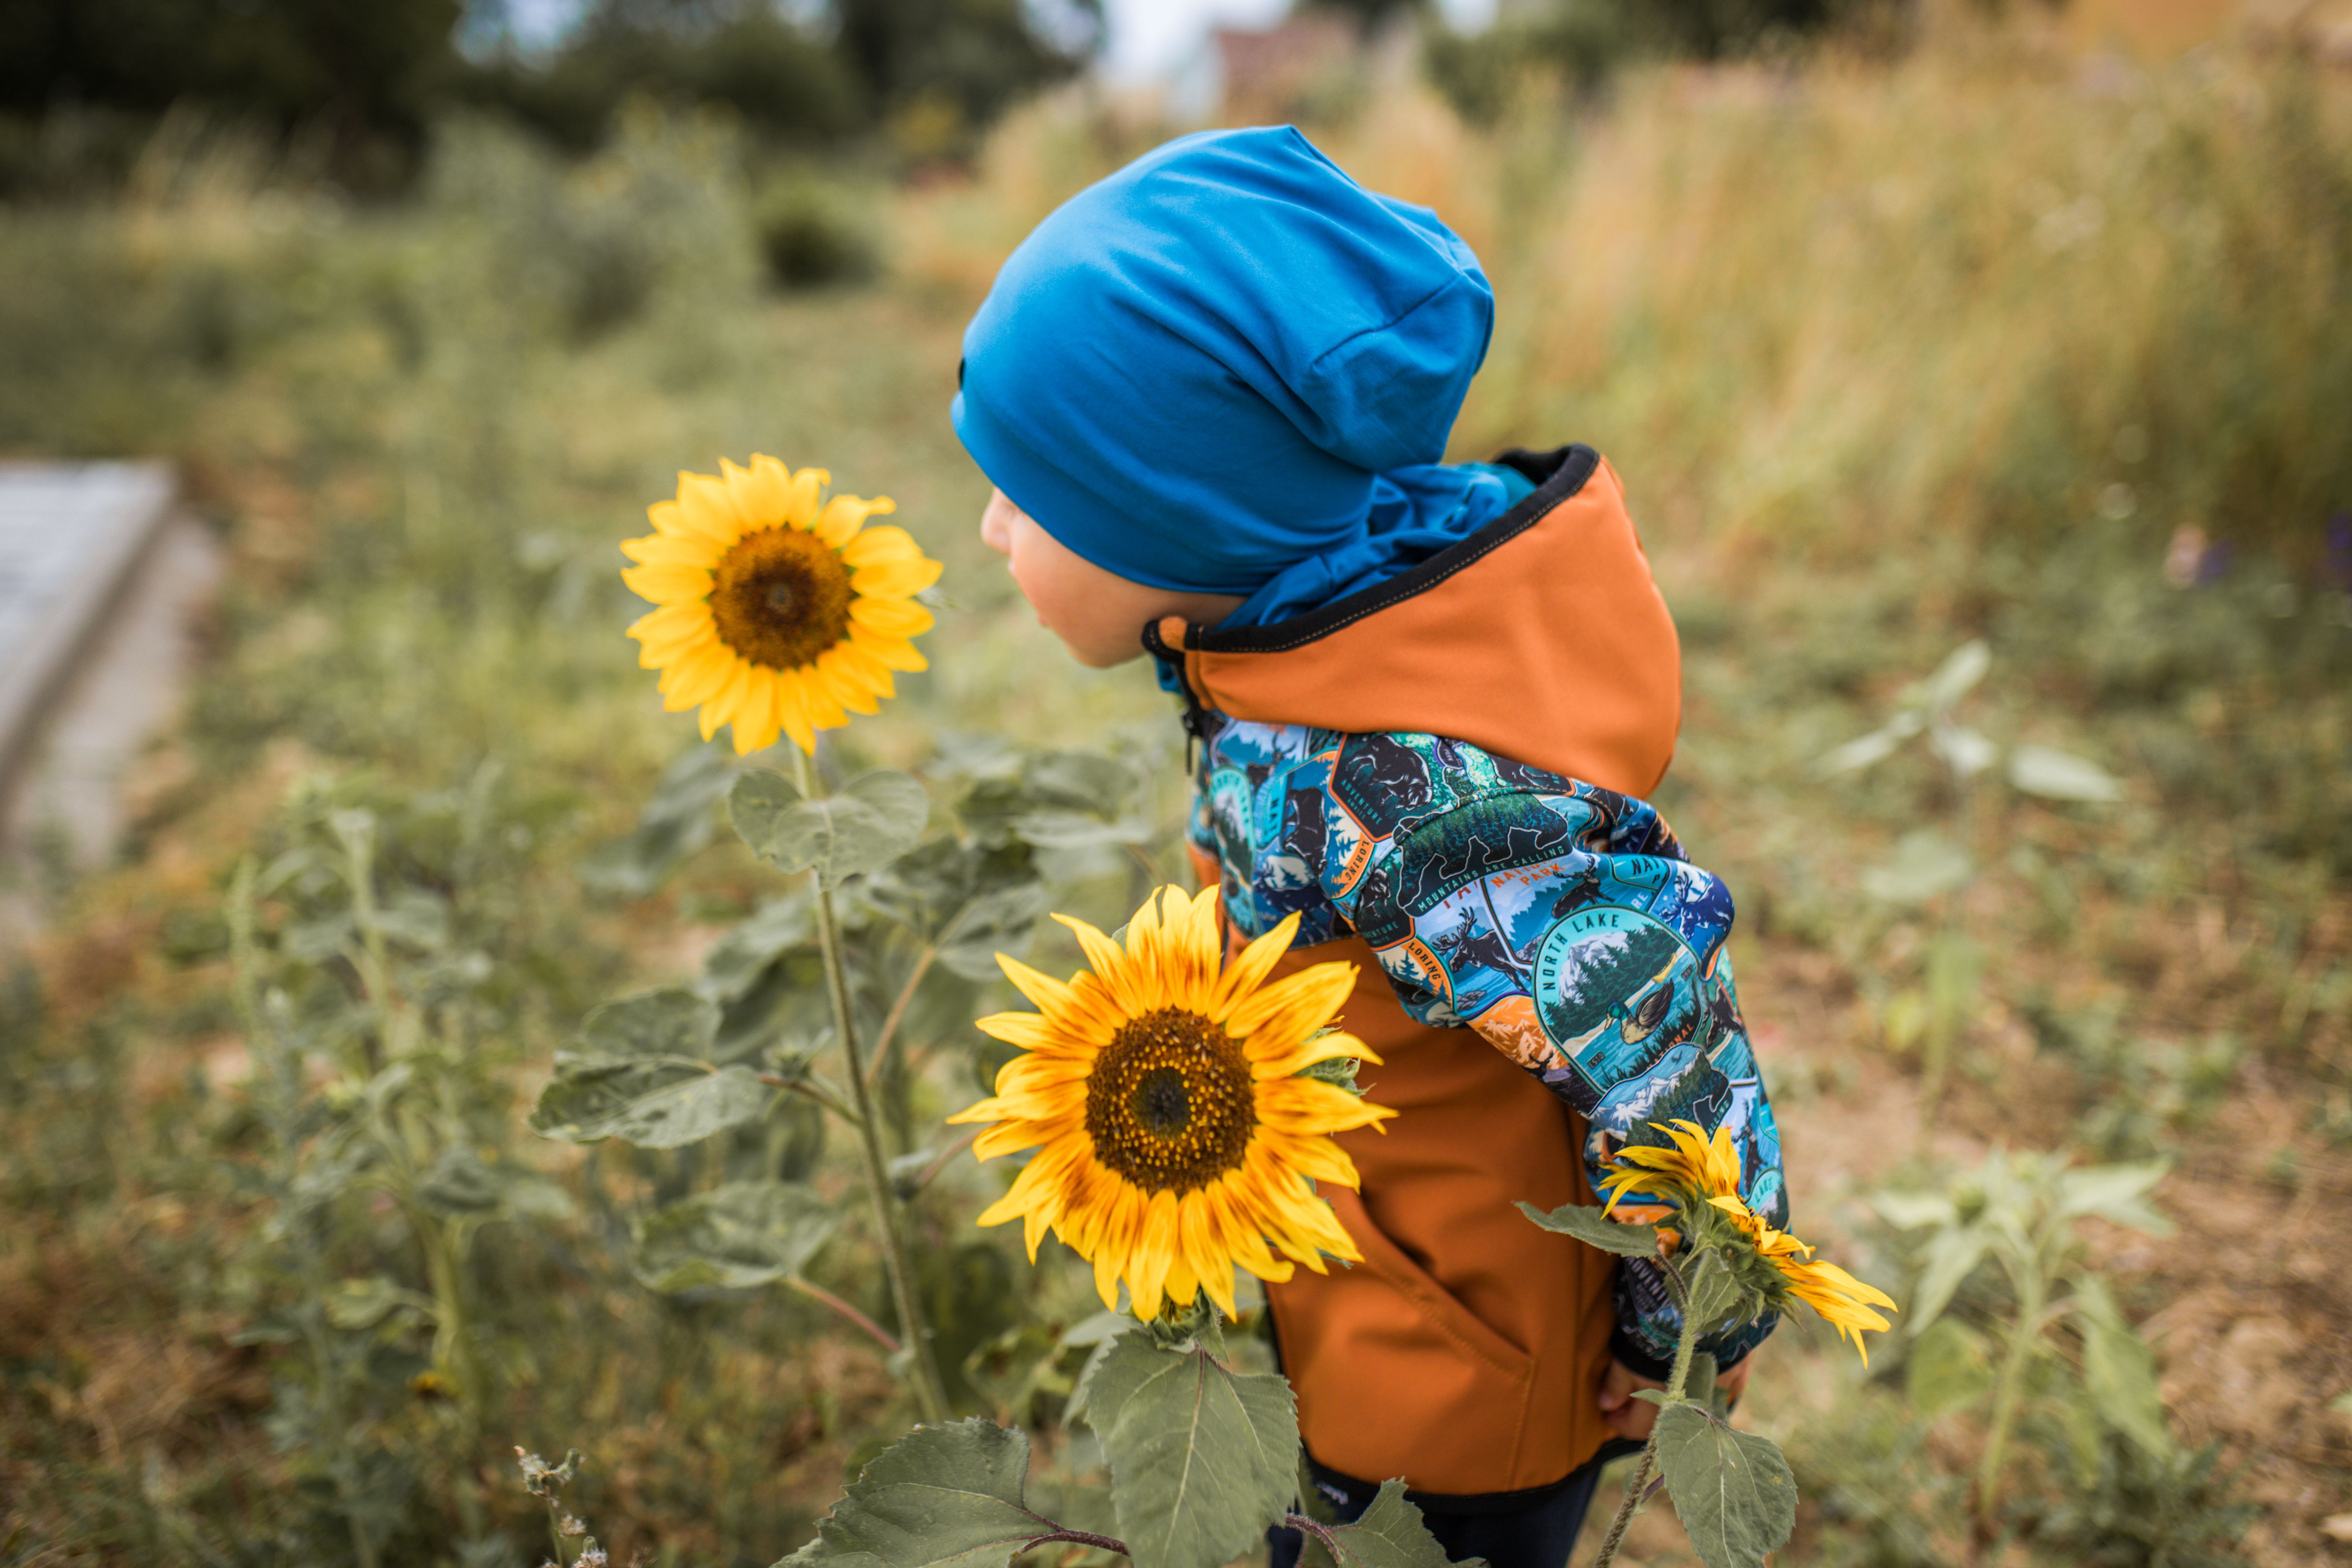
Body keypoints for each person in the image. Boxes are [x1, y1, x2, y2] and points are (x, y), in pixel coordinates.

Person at [952, 125, 1787, 1568]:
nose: (987, 527)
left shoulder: (1405, 791)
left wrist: (1688, 1320)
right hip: (1358, 1290)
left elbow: (1660, 1033)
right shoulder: (1292, 628)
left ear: (1181, 514)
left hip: (1452, 1386)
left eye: (1032, 493)